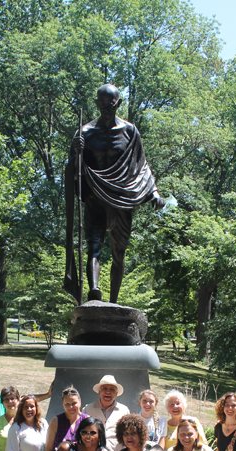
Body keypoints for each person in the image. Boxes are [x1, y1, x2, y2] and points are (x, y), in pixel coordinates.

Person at [64, 84, 165, 304]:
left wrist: (154, 192)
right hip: (95, 198)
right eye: (101, 105)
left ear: (118, 104)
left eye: (110, 105)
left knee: (119, 251)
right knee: (94, 246)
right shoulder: (84, 133)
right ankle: (94, 293)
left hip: (122, 198)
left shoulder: (129, 131)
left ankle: (114, 302)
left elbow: (142, 166)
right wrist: (75, 153)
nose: (106, 110)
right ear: (96, 104)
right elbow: (74, 170)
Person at [82, 375, 130, 451]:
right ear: (99, 392)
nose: (108, 392)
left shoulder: (124, 411)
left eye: (112, 389)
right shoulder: (87, 409)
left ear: (116, 393)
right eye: (104, 388)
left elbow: (128, 435)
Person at [44, 387, 88, 451]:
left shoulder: (87, 420)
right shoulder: (56, 421)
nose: (71, 407)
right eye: (67, 404)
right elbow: (48, 450)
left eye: (74, 403)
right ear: (63, 405)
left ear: (80, 402)